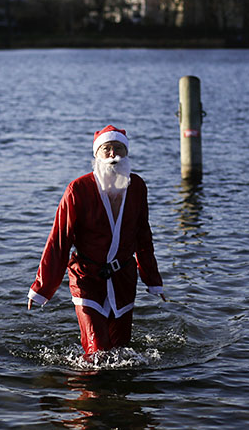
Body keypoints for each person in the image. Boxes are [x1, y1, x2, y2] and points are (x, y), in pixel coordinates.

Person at [26, 125, 166, 357]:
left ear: (127, 152)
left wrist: (153, 280)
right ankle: (89, 381)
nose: (113, 155)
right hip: (87, 277)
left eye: (119, 148)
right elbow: (59, 240)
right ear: (97, 154)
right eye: (106, 149)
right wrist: (42, 288)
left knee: (121, 350)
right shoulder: (78, 189)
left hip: (123, 278)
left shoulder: (137, 187)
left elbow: (143, 236)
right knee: (97, 352)